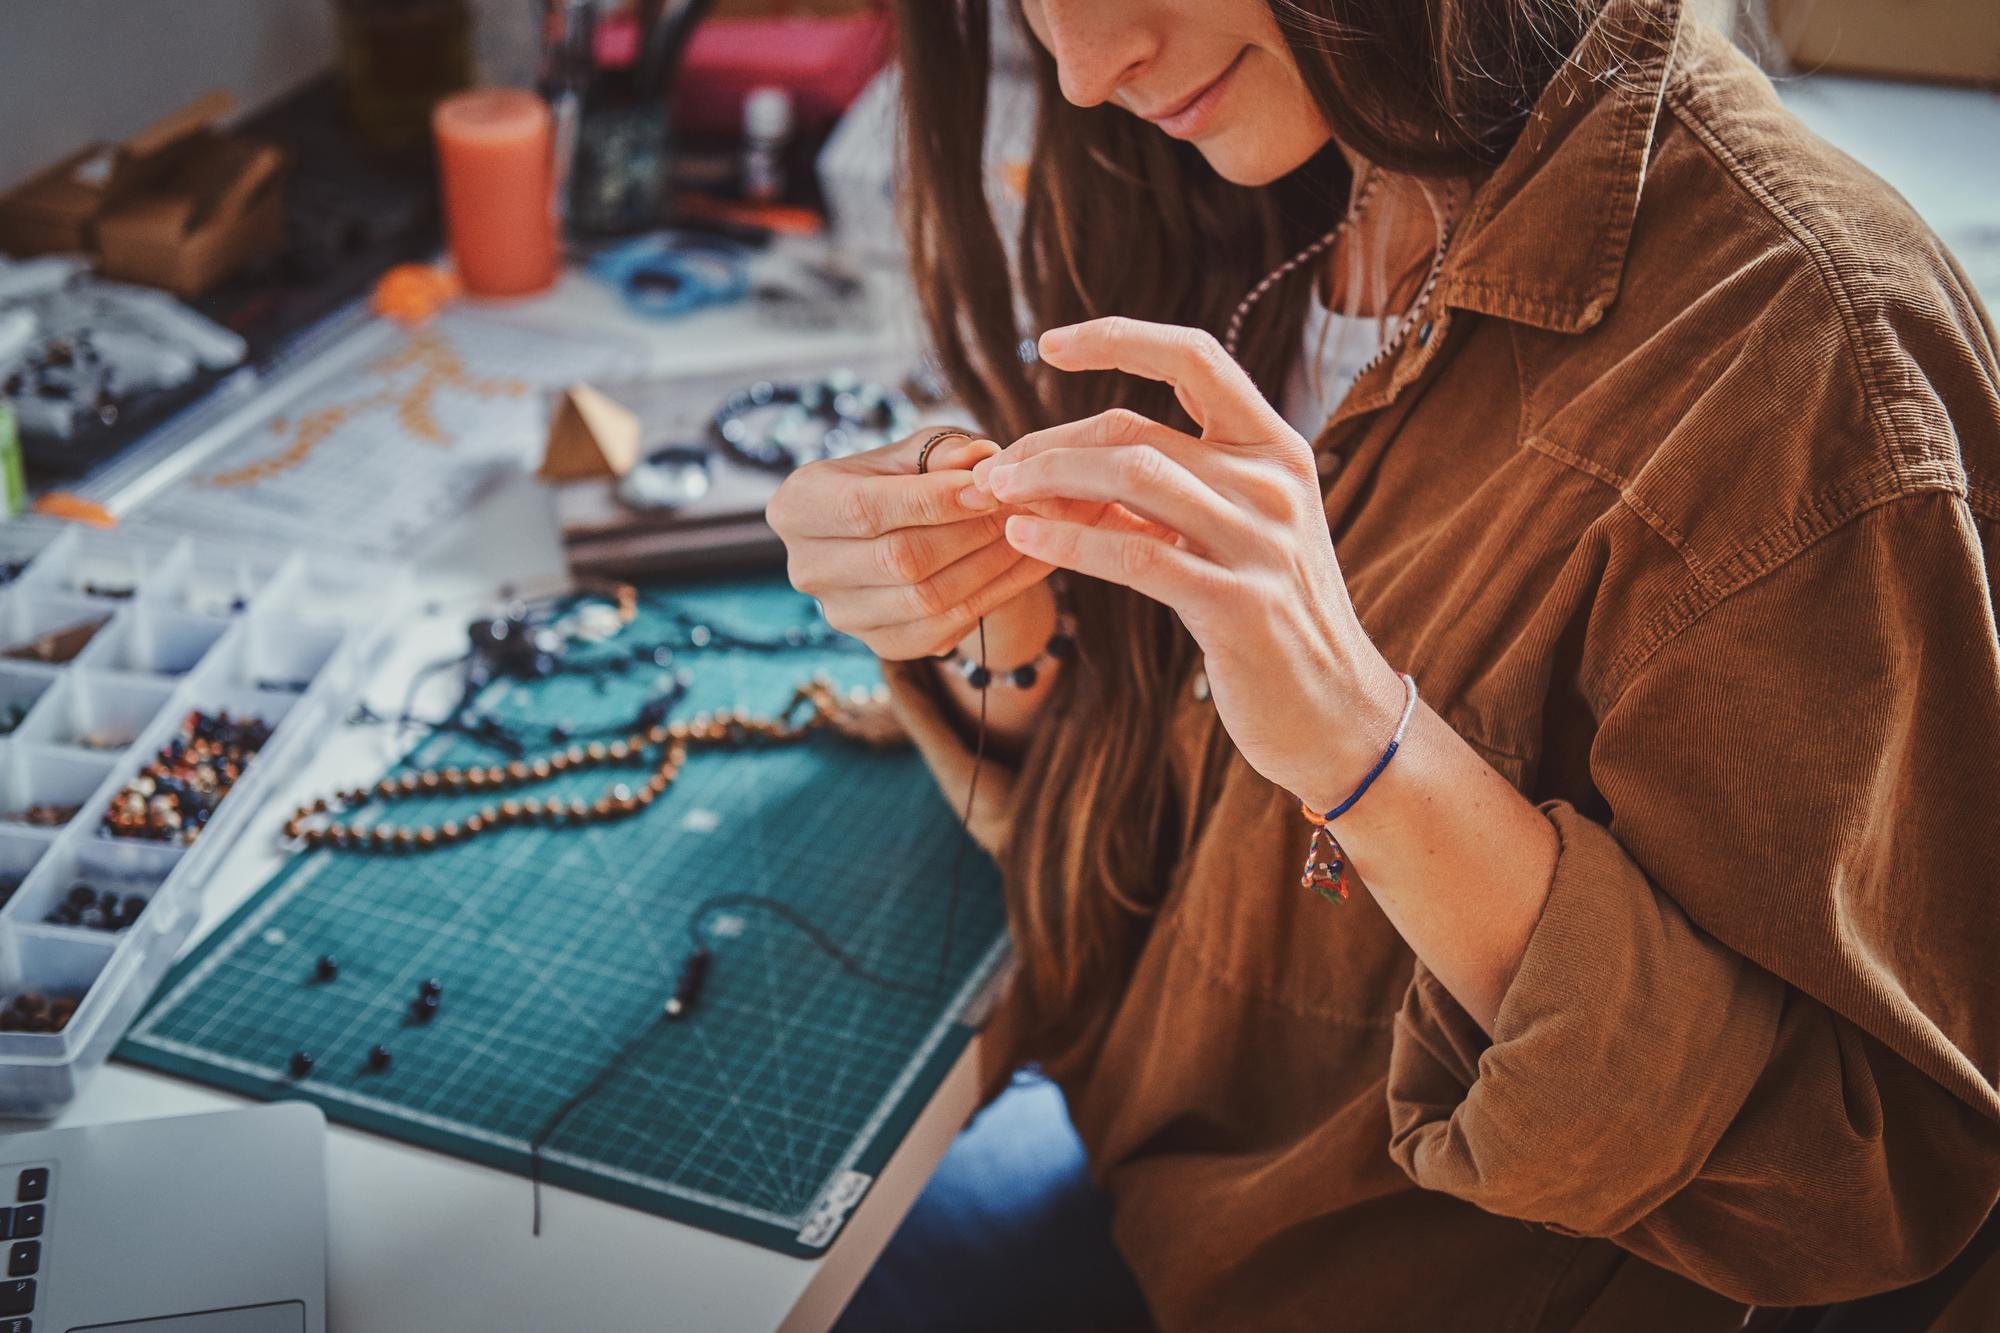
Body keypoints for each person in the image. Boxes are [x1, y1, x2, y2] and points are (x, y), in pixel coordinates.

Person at [766, 0, 2000, 1327]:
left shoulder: (1812, 359)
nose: (1082, 70)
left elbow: (1867, 1182)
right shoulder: (1277, 180)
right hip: (1148, 1191)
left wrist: (1369, 745)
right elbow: (1171, 829)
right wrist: (991, 616)